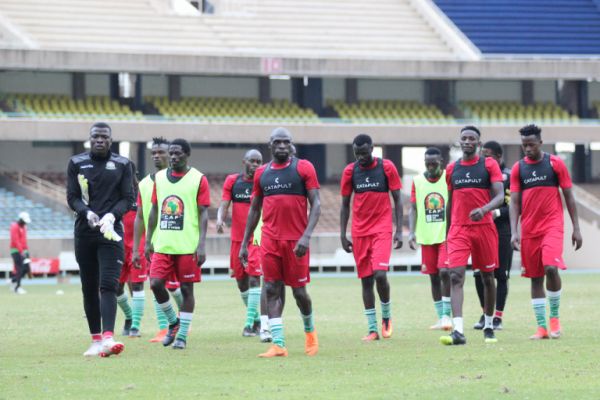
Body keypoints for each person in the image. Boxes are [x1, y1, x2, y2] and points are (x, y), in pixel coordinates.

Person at [239, 127, 320, 358]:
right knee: (272, 288)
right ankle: (279, 344)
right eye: (278, 142)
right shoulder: (262, 173)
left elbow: (316, 204)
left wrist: (306, 236)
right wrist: (245, 243)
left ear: (292, 145)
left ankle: (310, 333)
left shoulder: (304, 168)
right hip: (270, 241)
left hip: (296, 242)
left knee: (299, 293)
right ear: (270, 145)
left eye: (286, 142)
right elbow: (254, 209)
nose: (282, 146)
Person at [67, 122, 134, 357]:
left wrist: (110, 215)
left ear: (111, 140)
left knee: (108, 285)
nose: (99, 140)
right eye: (95, 136)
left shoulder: (123, 164)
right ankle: (95, 340)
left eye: (104, 137)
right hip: (85, 233)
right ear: (89, 138)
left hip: (111, 233)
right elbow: (72, 197)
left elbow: (128, 199)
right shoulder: (76, 163)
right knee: (88, 287)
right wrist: (86, 212)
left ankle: (108, 337)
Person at [509, 124, 582, 340]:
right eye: (524, 145)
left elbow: (569, 196)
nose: (528, 148)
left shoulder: (555, 164)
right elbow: (514, 203)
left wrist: (576, 228)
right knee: (535, 277)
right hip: (529, 229)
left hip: (552, 226)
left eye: (531, 144)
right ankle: (541, 328)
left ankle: (555, 319)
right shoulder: (518, 168)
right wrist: (514, 231)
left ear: (541, 143)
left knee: (551, 267)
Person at [440, 125, 504, 346]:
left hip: (484, 228)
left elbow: (500, 196)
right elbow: (450, 201)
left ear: (479, 142)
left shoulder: (489, 164)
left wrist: (484, 209)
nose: (467, 141)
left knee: (487, 277)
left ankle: (488, 325)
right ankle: (458, 331)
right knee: (455, 276)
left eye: (471, 138)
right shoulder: (451, 169)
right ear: (460, 142)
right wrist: (448, 231)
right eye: (464, 138)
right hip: (458, 229)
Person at [144, 138, 210, 350]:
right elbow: (154, 210)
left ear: (187, 155)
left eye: (178, 154)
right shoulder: (160, 178)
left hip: (187, 246)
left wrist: (201, 245)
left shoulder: (199, 179)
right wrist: (148, 240)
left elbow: (203, 214)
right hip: (163, 244)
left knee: (187, 290)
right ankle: (174, 322)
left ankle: (182, 336)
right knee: (155, 284)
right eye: (171, 153)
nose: (173, 157)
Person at [340, 134, 403, 341]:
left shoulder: (387, 168)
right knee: (366, 280)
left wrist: (399, 230)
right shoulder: (350, 172)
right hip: (359, 232)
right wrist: (343, 234)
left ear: (372, 149)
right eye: (357, 153)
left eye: (364, 153)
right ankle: (372, 329)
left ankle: (386, 317)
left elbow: (397, 200)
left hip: (382, 229)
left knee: (380, 274)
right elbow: (345, 204)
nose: (361, 157)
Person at [133, 137, 185, 344]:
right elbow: (140, 215)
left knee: (175, 287)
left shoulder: (180, 180)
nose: (157, 156)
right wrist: (137, 247)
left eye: (160, 152)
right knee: (156, 283)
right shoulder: (145, 183)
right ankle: (165, 328)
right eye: (153, 153)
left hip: (178, 242)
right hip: (154, 244)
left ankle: (183, 318)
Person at [217, 149, 272, 342]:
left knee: (255, 279)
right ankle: (256, 319)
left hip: (256, 238)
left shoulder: (264, 181)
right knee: (241, 282)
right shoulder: (233, 181)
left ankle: (249, 324)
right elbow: (224, 204)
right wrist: (220, 220)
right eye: (252, 161)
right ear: (244, 162)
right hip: (236, 240)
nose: (255, 165)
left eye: (259, 161)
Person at [407, 147, 451, 331]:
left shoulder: (448, 177)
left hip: (445, 235)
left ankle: (448, 315)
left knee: (444, 272)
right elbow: (413, 208)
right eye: (428, 163)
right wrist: (411, 232)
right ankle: (441, 317)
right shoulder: (417, 181)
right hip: (426, 236)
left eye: (434, 163)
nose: (431, 166)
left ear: (441, 161)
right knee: (433, 277)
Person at [473, 141, 512, 331]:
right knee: (478, 274)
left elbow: (514, 206)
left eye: (487, 156)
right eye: (482, 155)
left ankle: (498, 317)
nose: (484, 159)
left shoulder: (510, 176)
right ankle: (485, 312)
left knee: (500, 275)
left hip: (502, 229)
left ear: (498, 157)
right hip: (480, 229)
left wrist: (496, 213)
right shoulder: (479, 171)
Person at [116, 162, 147, 338]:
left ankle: (135, 325)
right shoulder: (116, 194)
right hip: (119, 245)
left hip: (139, 244)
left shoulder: (144, 192)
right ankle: (129, 317)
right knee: (116, 288)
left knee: (137, 284)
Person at [9, 212, 32, 294]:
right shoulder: (14, 226)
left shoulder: (24, 227)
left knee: (26, 269)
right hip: (15, 250)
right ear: (20, 219)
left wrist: (27, 251)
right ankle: (17, 287)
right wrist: (21, 251)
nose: (25, 223)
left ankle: (13, 280)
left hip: (23, 251)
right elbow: (15, 240)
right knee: (19, 268)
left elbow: (24, 240)